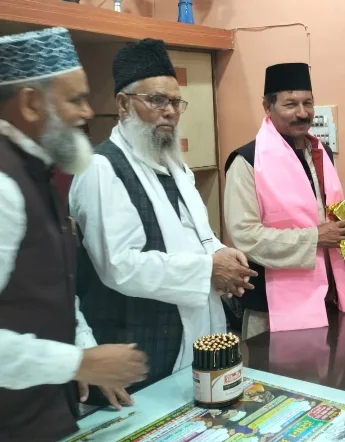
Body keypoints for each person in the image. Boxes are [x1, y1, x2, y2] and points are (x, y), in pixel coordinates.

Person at [69, 38, 256, 405]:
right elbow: (119, 266)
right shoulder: (102, 169)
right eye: (156, 100)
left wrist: (222, 255)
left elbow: (196, 237)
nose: (170, 112)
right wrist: (207, 271)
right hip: (136, 350)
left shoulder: (175, 167)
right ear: (123, 104)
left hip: (186, 341)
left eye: (175, 102)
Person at [0, 27, 148, 440]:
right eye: (75, 99)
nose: (87, 112)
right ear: (30, 103)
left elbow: (50, 284)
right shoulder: (4, 186)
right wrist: (77, 363)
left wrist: (84, 346)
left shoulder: (38, 171)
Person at [224, 62, 345, 339]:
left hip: (327, 298)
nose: (302, 113)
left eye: (308, 103)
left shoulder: (320, 152)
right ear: (267, 107)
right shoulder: (247, 161)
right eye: (291, 104)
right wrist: (315, 238)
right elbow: (245, 236)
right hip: (271, 309)